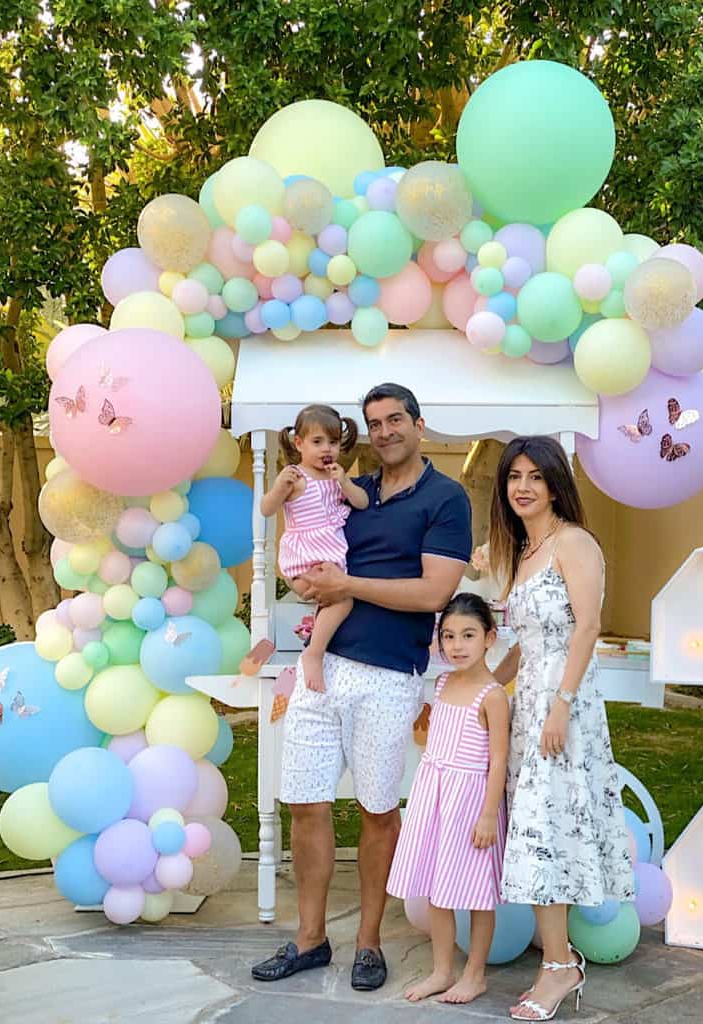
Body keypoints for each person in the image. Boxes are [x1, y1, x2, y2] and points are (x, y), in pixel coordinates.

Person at [251, 383, 472, 991]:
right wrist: (309, 584)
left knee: (378, 810)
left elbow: (433, 593)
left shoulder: (445, 498)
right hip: (321, 671)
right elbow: (303, 543)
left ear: (419, 425)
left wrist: (345, 584)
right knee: (304, 801)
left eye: (396, 420)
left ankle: (369, 942)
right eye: (375, 423)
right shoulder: (352, 490)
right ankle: (310, 939)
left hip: (388, 675)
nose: (385, 431)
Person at [488, 436, 634, 1022]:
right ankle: (558, 960)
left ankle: (558, 968)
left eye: (535, 477)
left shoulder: (574, 542)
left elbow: (587, 626)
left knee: (550, 828)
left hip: (563, 713)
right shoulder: (524, 551)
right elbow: (524, 644)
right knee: (537, 832)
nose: (522, 486)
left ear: (554, 484)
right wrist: (485, 686)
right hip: (528, 712)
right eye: (513, 476)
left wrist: (560, 704)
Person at [387, 593, 509, 1005]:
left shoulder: (492, 696)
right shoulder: (440, 684)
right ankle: (442, 970)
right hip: (434, 795)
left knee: (475, 891)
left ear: (489, 638)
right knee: (434, 887)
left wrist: (489, 814)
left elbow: (498, 759)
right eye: (450, 636)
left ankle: (475, 974)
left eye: (469, 635)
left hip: (471, 800)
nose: (457, 645)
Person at [259, 404, 368, 693]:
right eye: (317, 442)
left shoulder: (335, 476)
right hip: (308, 554)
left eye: (333, 442)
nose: (326, 449)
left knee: (337, 600)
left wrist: (344, 482)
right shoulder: (295, 476)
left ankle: (316, 645)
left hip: (330, 554)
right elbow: (266, 508)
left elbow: (362, 502)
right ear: (299, 444)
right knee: (341, 600)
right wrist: (280, 486)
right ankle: (314, 652)